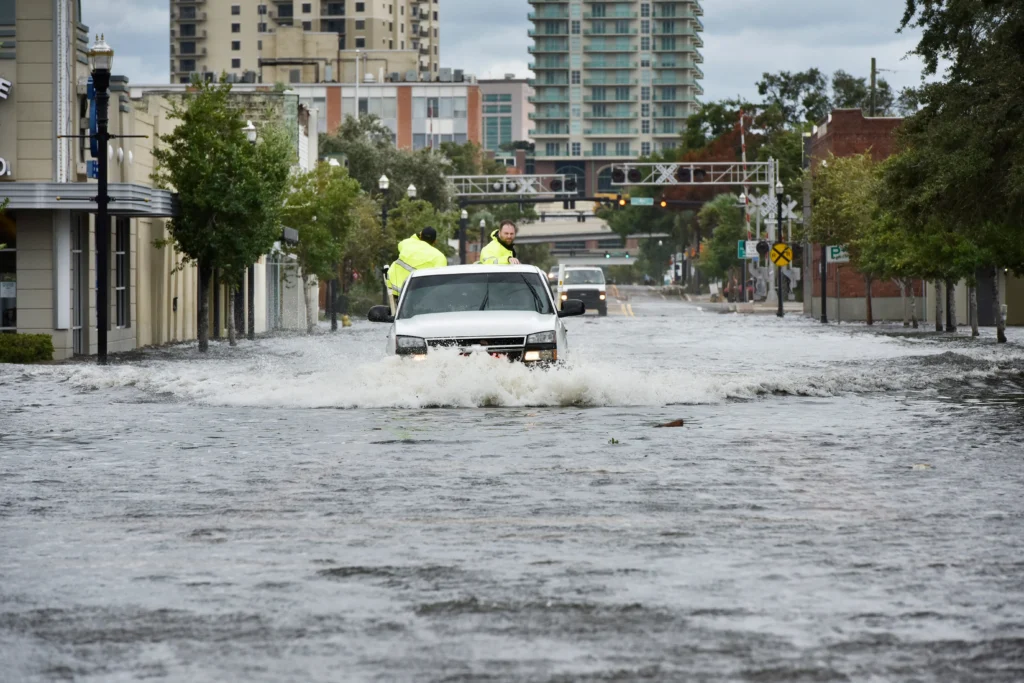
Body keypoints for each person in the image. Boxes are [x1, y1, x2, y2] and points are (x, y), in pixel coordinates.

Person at [386, 226, 447, 302]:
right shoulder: (439, 257)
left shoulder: (407, 243)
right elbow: (439, 281)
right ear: (435, 241)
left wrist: (417, 236)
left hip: (394, 289)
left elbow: (402, 244)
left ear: (420, 236)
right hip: (417, 295)